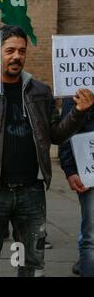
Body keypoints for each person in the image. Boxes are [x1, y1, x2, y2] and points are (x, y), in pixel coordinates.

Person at [0, 25, 94, 277]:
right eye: (10, 50)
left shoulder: (40, 90)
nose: (17, 56)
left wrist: (78, 113)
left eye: (21, 51)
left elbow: (56, 135)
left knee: (32, 265)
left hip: (31, 192)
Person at [59, 96, 94, 276]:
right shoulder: (75, 85)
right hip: (89, 171)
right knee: (91, 238)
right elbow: (66, 131)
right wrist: (70, 169)